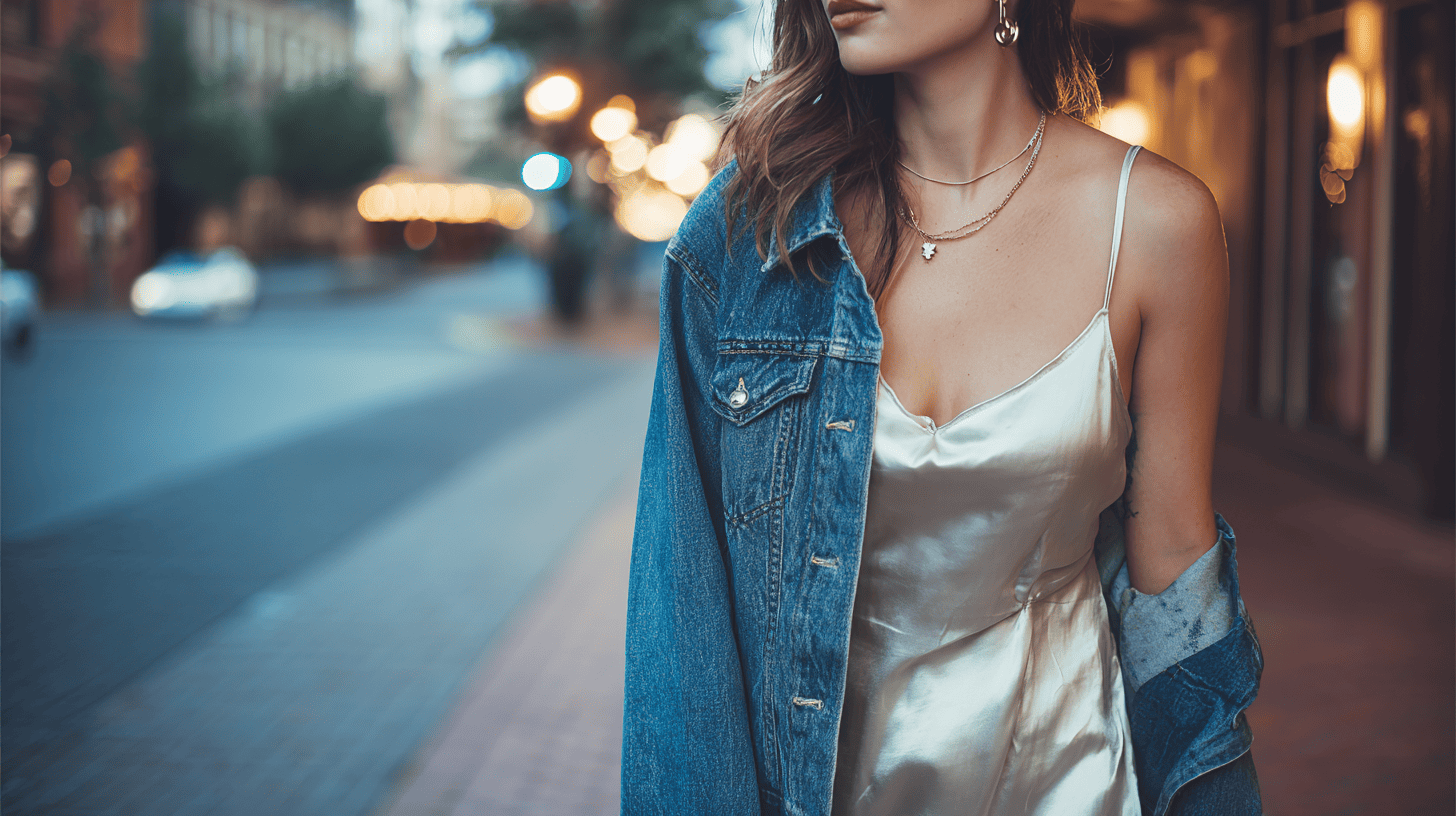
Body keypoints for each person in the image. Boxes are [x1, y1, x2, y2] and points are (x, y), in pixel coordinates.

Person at [621, 0, 1263, 814]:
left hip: (1074, 785)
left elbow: (1175, 572)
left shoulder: (1157, 223)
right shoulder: (753, 230)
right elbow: (684, 620)